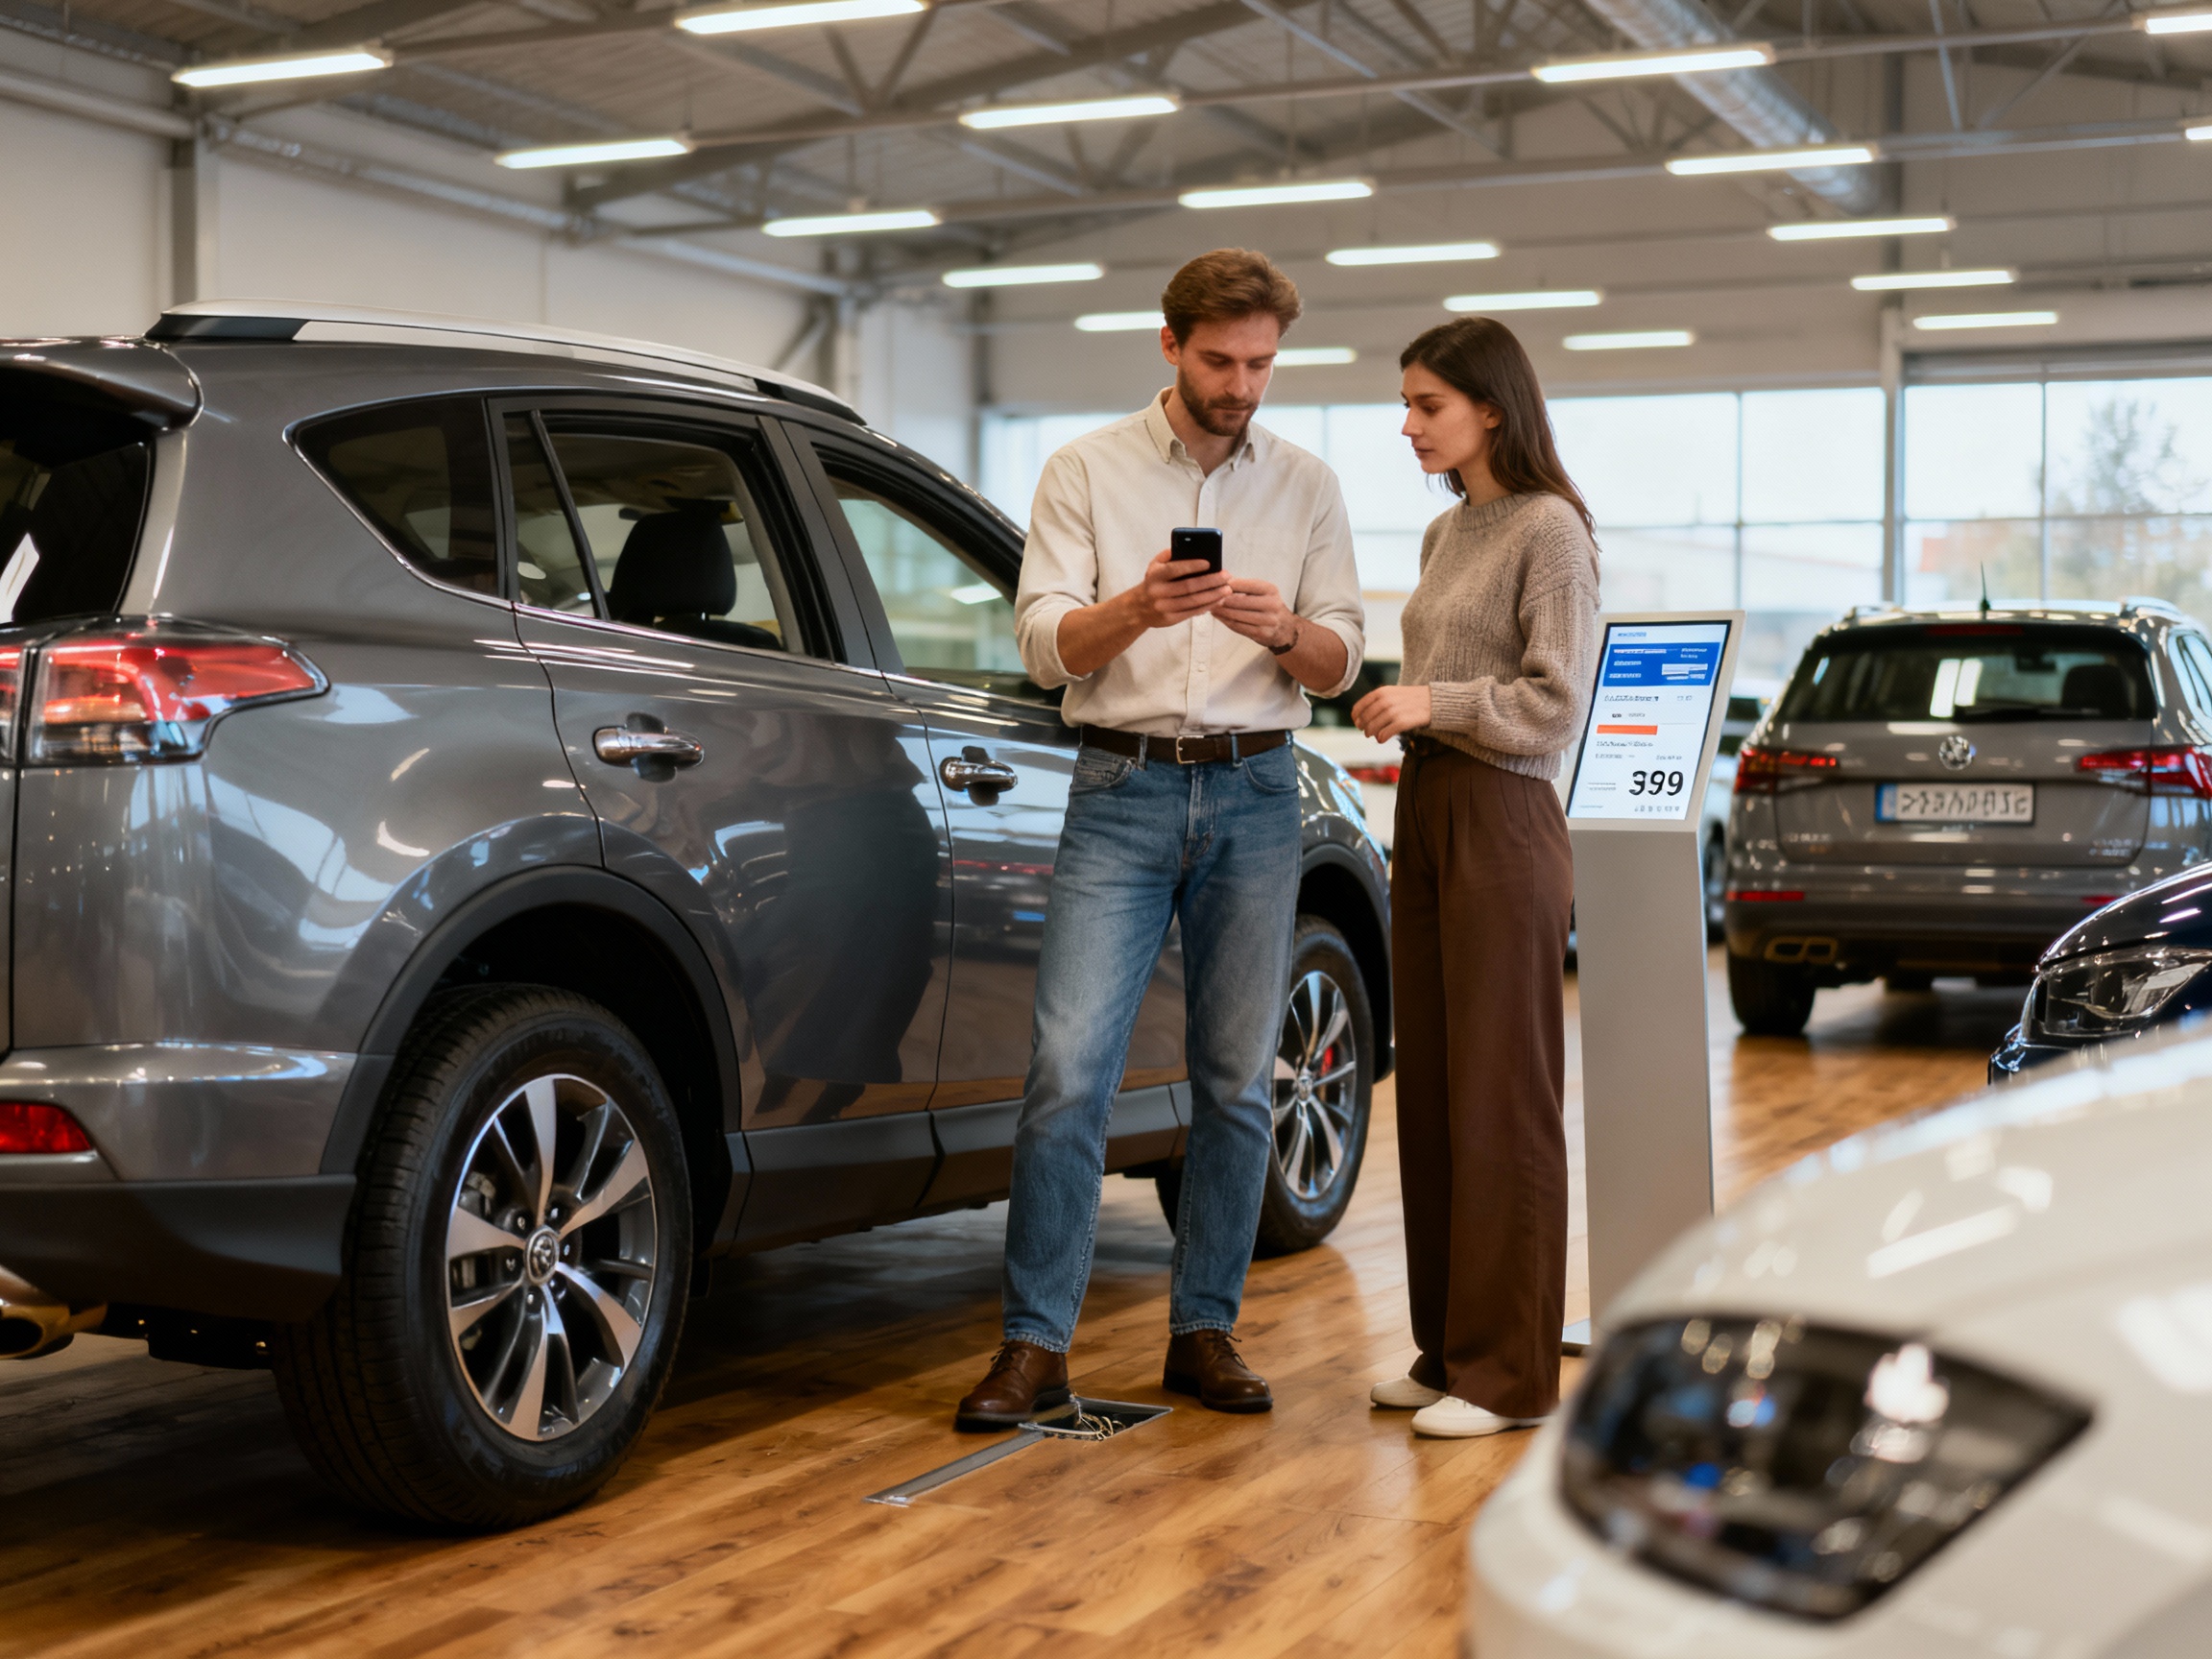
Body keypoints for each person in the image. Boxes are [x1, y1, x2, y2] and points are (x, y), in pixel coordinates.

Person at [954, 249, 1366, 1431]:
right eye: (1223, 361)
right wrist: (1138, 606)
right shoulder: (1083, 469)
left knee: (1237, 1084)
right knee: (1067, 1078)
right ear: (1171, 345)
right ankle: (1035, 1348)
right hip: (1121, 792)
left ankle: (1206, 1332)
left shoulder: (1307, 486)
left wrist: (1283, 626)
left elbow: (1338, 664)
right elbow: (1046, 648)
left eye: (1263, 364)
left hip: (1255, 794)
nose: (1244, 385)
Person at [1351, 316, 1599, 1439]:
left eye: (1427, 405)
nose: (1408, 425)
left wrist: (1432, 702)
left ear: (1490, 408)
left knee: (1505, 1095)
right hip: (1433, 803)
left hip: (1504, 815)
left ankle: (1508, 1378)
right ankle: (1448, 1349)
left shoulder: (1552, 531)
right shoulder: (1448, 534)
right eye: (1405, 405)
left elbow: (1556, 701)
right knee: (1441, 1090)